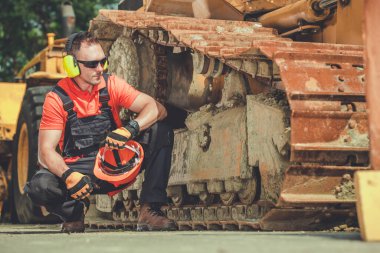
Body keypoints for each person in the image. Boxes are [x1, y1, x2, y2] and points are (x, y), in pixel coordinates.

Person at [24, 31, 177, 232]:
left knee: (160, 130)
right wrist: (69, 175)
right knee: (39, 186)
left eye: (103, 62)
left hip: (114, 162)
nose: (100, 68)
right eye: (92, 64)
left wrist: (131, 128)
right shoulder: (57, 98)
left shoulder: (111, 84)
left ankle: (150, 209)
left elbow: (158, 109)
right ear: (72, 65)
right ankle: (74, 213)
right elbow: (45, 152)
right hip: (81, 173)